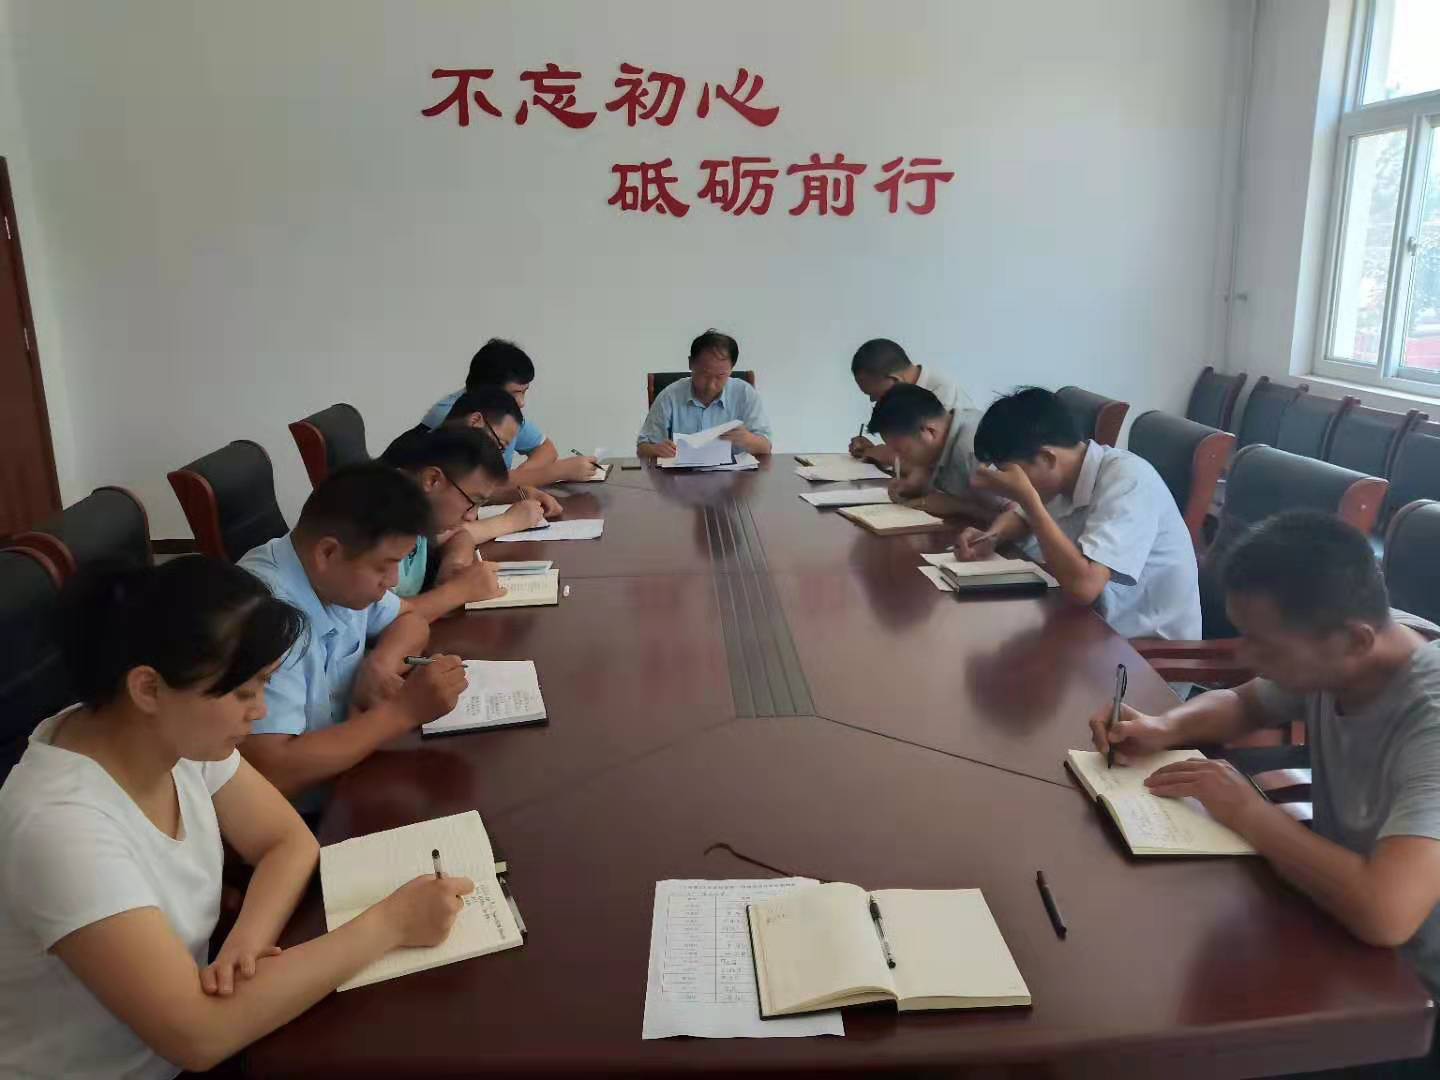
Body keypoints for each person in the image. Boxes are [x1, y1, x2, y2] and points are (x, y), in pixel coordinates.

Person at [0, 557, 473, 1077]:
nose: (261, 711)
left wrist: (246, 944)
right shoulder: (59, 827)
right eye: (245, 692)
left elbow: (287, 841)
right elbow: (199, 1036)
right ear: (148, 689)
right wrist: (391, 923)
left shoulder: (168, 731)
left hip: (197, 1027)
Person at [1090, 512, 1440, 1077]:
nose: (1244, 656)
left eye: (1264, 645)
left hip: (1411, 1003)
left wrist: (1249, 813)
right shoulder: (1357, 645)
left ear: (1356, 640)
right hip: (1341, 926)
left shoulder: (1431, 716)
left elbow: (1386, 912)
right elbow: (1247, 702)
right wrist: (1164, 727)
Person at [237, 463, 471, 800]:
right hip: (305, 811)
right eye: (384, 566)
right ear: (328, 553)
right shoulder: (266, 613)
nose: (393, 580)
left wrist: (380, 663)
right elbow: (272, 770)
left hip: (350, 767)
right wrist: (403, 712)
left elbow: (410, 619)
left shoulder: (339, 578)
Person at [956, 386, 1200, 641]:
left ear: (1047, 458)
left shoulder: (1128, 481)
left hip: (1143, 647)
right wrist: (991, 537)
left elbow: (1084, 588)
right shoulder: (1063, 476)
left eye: (1011, 472)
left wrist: (1029, 499)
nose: (1010, 481)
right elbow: (1020, 518)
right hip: (1088, 623)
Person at [418, 338, 598, 485]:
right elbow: (477, 486)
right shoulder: (454, 418)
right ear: (487, 390)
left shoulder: (502, 411)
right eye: (515, 393)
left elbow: (545, 448)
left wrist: (520, 478)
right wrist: (558, 471)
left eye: (524, 392)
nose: (521, 403)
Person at [381, 425, 510, 614]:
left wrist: (454, 564)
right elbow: (374, 619)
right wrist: (458, 590)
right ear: (432, 480)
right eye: (472, 502)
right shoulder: (372, 516)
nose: (470, 516)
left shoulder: (416, 508)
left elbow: (460, 534)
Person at [865, 383, 1001, 521]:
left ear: (929, 432)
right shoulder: (944, 431)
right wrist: (920, 486)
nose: (898, 458)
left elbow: (1011, 517)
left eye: (901, 450)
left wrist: (957, 506)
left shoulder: (974, 450)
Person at [637, 329, 772, 460]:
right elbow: (642, 448)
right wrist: (655, 450)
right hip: (681, 474)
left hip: (734, 474)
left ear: (731, 368)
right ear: (690, 363)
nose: (711, 385)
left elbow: (766, 447)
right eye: (705, 375)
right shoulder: (670, 396)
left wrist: (748, 440)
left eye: (720, 376)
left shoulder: (745, 394)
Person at [848, 338, 973, 470]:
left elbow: (928, 470)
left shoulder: (945, 396)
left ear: (895, 380)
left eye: (874, 394)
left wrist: (878, 453)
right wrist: (874, 451)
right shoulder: (907, 398)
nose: (873, 400)